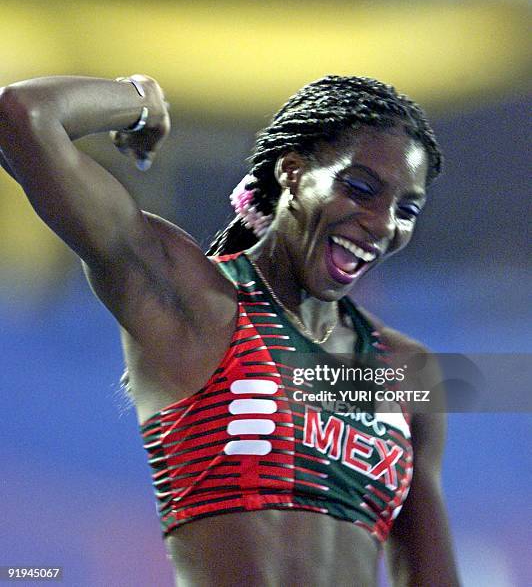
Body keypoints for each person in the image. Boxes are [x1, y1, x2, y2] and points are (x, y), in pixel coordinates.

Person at [0, 74, 460, 586]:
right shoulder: (193, 302)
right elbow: (22, 116)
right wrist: (142, 99)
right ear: (291, 171)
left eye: (406, 210)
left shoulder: (402, 370)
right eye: (360, 189)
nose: (381, 224)